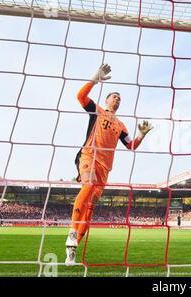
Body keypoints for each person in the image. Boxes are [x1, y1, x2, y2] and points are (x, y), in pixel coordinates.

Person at [65, 64, 153, 265]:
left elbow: (131, 146)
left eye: (119, 99)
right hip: (88, 156)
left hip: (105, 168)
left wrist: (141, 135)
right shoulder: (97, 111)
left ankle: (73, 248)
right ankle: (70, 235)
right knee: (87, 186)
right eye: (114, 97)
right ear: (106, 100)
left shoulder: (120, 125)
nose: (117, 100)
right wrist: (95, 78)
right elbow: (80, 96)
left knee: (90, 209)